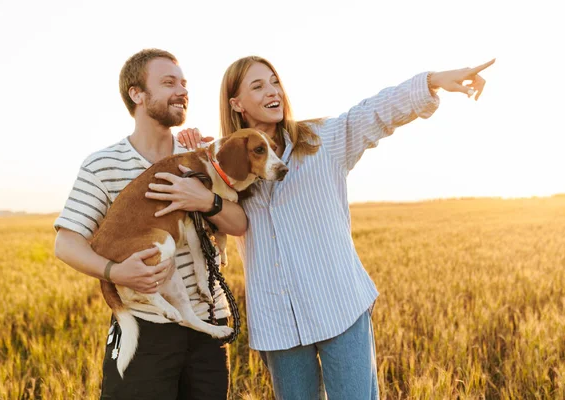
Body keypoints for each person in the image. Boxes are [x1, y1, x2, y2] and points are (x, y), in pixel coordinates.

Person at [174, 55, 495, 399]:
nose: (273, 91)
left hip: (338, 305)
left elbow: (375, 111)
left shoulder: (323, 141)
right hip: (278, 321)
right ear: (236, 103)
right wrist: (187, 141)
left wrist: (432, 80)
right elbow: (188, 188)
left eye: (275, 81)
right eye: (258, 85)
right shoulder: (225, 164)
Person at [53, 48, 247, 400]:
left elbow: (238, 222)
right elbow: (65, 243)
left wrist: (206, 201)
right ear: (137, 94)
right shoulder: (102, 164)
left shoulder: (204, 154)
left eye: (184, 83)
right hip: (147, 330)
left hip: (210, 328)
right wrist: (115, 271)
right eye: (169, 82)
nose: (182, 91)